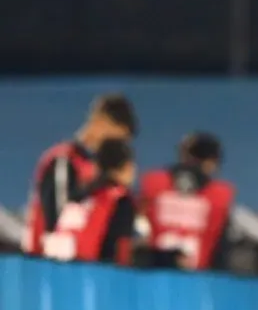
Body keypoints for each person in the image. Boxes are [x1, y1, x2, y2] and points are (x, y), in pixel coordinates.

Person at [22, 93, 137, 257]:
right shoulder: (63, 160)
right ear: (100, 121)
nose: (117, 147)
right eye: (116, 138)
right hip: (47, 267)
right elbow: (57, 224)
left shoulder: (96, 172)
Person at [138, 131, 235, 271]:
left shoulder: (154, 185)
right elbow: (221, 253)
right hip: (196, 284)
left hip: (152, 280)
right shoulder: (218, 197)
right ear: (211, 163)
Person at [41, 138, 138, 267]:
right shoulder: (120, 200)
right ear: (127, 167)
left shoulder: (79, 195)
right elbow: (122, 251)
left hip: (57, 273)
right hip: (94, 276)